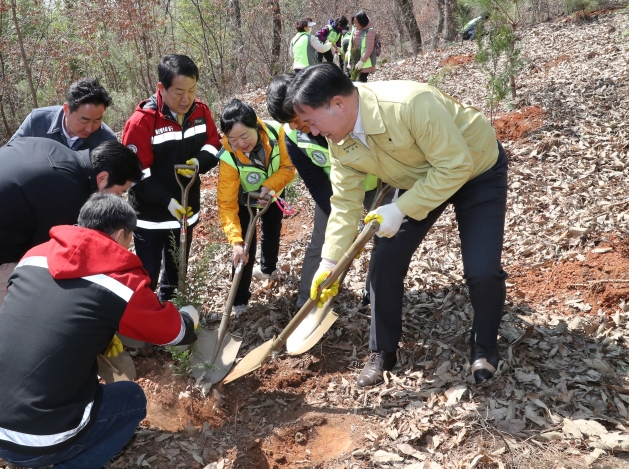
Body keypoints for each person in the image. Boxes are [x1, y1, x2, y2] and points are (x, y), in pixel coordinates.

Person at [290, 63, 507, 388]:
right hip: (418, 178)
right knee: (384, 262)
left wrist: (401, 209)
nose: (314, 132)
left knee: (482, 270)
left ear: (337, 103)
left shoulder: (409, 103)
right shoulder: (338, 142)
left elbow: (454, 166)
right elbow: (345, 204)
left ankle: (485, 345)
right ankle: (383, 351)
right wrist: (329, 261)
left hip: (476, 169)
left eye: (312, 121)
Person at [0, 193, 198, 469]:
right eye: (130, 238)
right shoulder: (122, 281)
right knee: (132, 398)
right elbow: (172, 333)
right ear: (121, 234)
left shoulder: (34, 255)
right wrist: (189, 320)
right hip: (34, 439)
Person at [0, 139, 143, 384]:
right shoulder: (67, 191)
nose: (117, 199)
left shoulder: (48, 147)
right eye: (119, 192)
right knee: (49, 318)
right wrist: (96, 328)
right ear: (102, 178)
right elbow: (50, 261)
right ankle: (63, 384)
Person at [265, 74, 391, 308]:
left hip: (379, 182)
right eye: (291, 122)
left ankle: (373, 292)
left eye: (299, 118)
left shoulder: (343, 115)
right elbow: (314, 181)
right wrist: (342, 220)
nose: (299, 126)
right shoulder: (293, 136)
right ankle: (308, 301)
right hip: (336, 192)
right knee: (322, 242)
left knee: (384, 235)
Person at [122, 55, 221, 302]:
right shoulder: (142, 121)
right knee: (148, 275)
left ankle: (171, 312)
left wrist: (198, 162)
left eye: (192, 90)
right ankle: (144, 319)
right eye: (178, 91)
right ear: (161, 88)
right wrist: (167, 201)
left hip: (186, 212)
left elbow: (213, 144)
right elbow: (136, 173)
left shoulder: (200, 112)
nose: (186, 98)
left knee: (177, 272)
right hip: (151, 218)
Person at [217, 99, 295, 316]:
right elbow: (226, 202)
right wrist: (235, 241)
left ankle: (268, 268)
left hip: (271, 191)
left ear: (256, 126)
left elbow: (288, 167)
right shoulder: (228, 156)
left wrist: (268, 187)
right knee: (244, 248)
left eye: (244, 136)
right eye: (233, 139)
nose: (240, 143)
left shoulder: (276, 132)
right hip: (244, 199)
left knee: (272, 229)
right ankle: (239, 299)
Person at [10, 78, 117, 150]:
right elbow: (10, 154)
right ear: (66, 109)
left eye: (97, 120)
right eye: (84, 120)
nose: (89, 129)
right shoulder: (37, 122)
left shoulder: (107, 141)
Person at [347, 12, 377, 83]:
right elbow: (351, 43)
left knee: (362, 80)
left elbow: (369, 48)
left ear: (362, 21)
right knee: (351, 78)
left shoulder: (370, 31)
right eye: (354, 22)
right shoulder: (354, 28)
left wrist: (361, 61)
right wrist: (348, 53)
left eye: (357, 22)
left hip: (365, 60)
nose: (355, 24)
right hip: (354, 59)